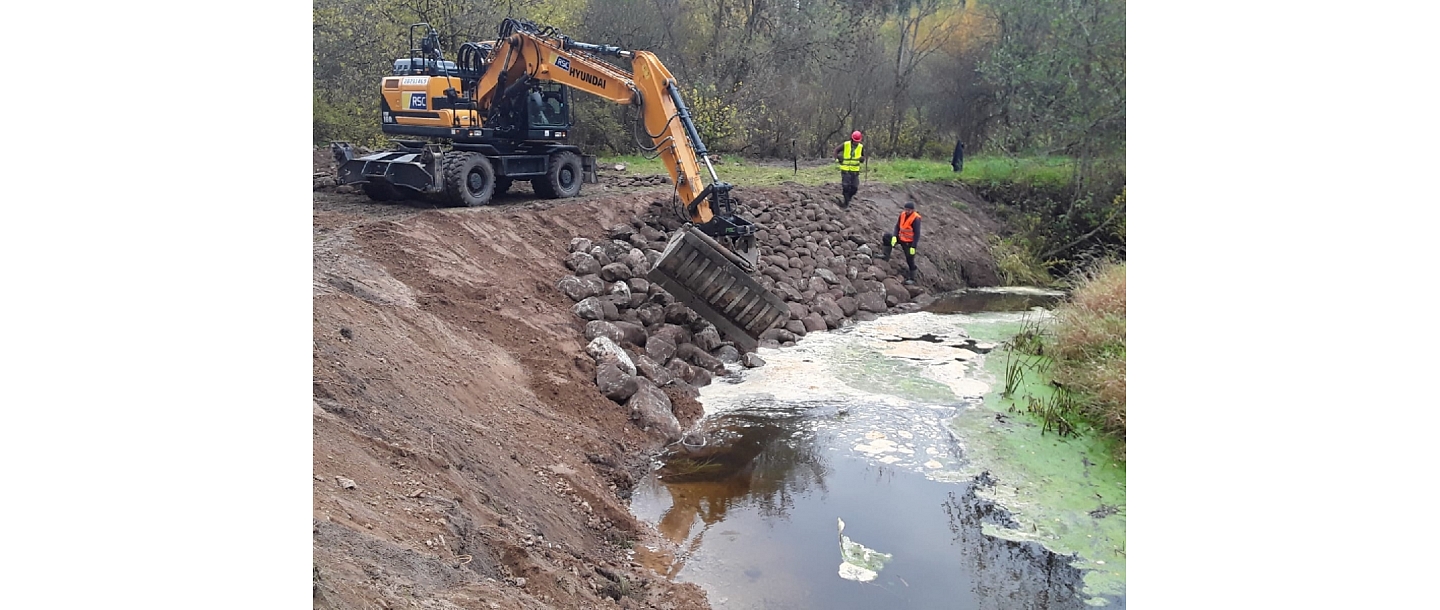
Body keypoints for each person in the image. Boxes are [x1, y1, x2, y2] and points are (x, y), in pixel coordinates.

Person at [879, 201, 922, 285]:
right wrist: (895, 236)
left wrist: (913, 246)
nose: (907, 211)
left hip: (909, 242)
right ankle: (885, 255)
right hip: (901, 237)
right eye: (906, 209)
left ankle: (912, 278)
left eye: (909, 210)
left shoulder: (916, 219)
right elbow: (897, 226)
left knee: (910, 259)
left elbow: (917, 234)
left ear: (913, 210)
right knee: (887, 237)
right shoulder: (902, 215)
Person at [833, 131, 864, 207]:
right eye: (855, 141)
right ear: (852, 139)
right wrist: (838, 158)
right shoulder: (846, 144)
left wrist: (862, 159)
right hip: (845, 170)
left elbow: (863, 156)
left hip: (855, 171)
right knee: (846, 187)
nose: (856, 143)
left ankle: (848, 199)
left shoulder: (861, 147)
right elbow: (836, 150)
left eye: (857, 141)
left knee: (855, 188)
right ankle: (846, 203)